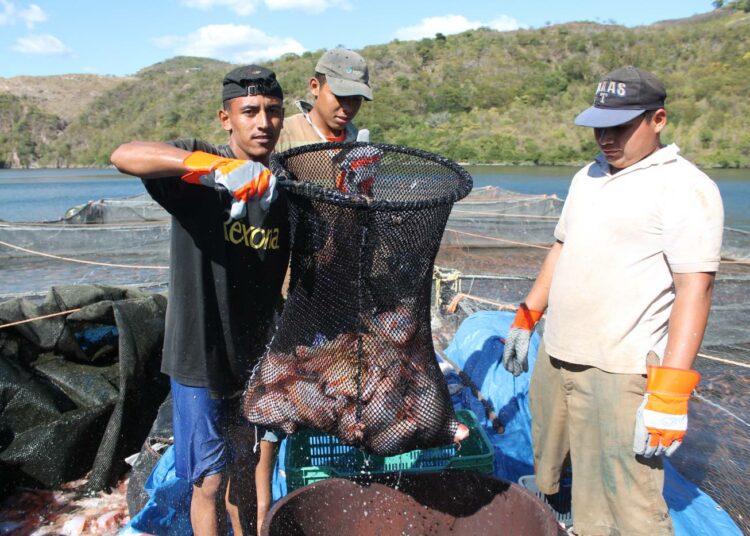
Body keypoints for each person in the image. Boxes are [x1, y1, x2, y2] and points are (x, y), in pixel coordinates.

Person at [501, 66, 724, 535]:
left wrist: (668, 393)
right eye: (598, 126)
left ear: (658, 119)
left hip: (618, 365)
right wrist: (527, 316)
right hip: (559, 349)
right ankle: (560, 505)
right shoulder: (588, 176)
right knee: (550, 449)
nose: (605, 137)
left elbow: (695, 289)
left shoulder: (686, 187)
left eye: (619, 127)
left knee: (626, 491)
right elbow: (562, 247)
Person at [111, 65, 290, 536]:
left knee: (245, 471)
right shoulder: (199, 168)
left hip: (252, 357)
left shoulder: (286, 184)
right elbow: (125, 154)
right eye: (249, 111)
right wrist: (215, 167)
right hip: (199, 357)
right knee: (208, 481)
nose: (262, 122)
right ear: (225, 118)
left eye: (272, 111)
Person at [275, 47, 373, 152]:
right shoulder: (280, 135)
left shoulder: (358, 142)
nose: (348, 108)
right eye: (340, 96)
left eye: (356, 98)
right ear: (315, 87)